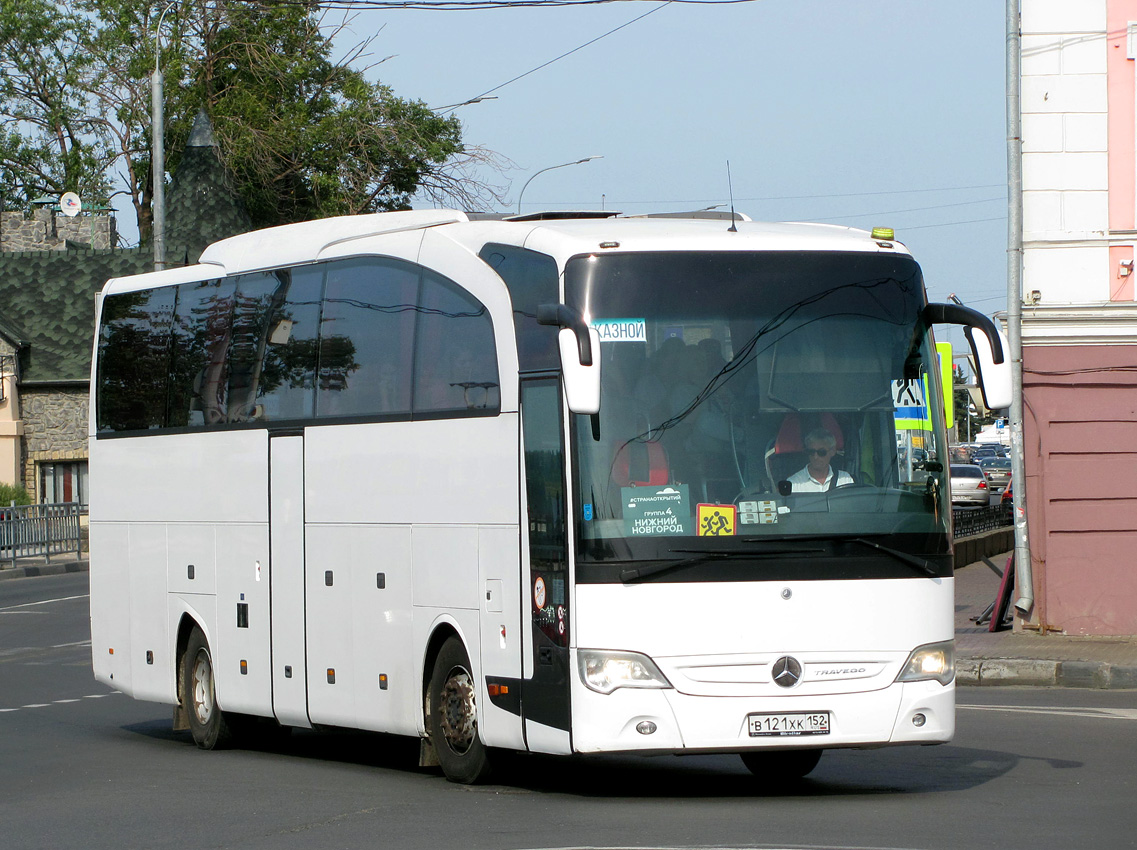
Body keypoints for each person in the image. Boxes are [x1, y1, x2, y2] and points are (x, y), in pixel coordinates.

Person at [788, 427, 854, 492]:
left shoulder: (845, 480)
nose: (815, 457)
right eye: (811, 452)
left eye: (821, 452)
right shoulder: (794, 484)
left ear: (832, 451)